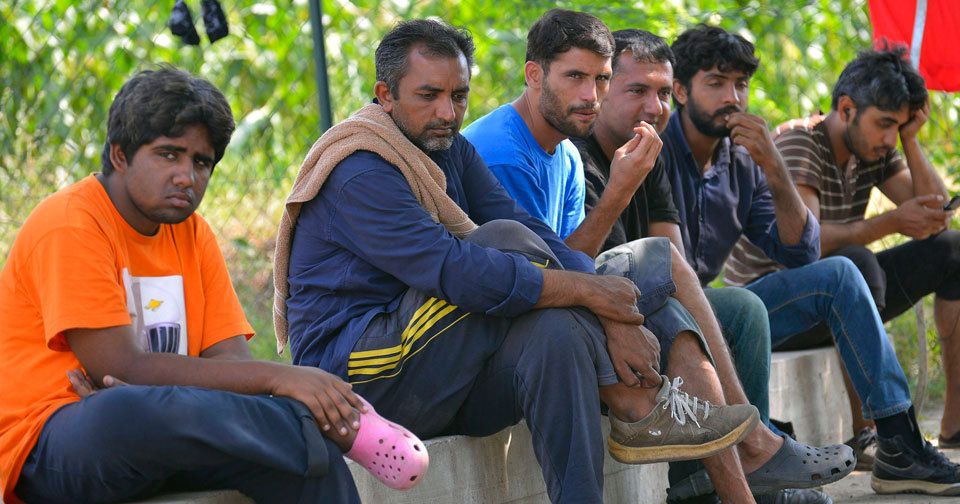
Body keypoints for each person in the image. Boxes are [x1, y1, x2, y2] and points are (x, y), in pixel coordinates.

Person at [277, 16, 760, 504]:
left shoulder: (450, 149)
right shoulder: (360, 170)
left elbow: (536, 235)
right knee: (501, 244)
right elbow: (456, 271)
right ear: (385, 94)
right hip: (361, 373)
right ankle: (633, 404)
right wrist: (599, 299)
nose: (448, 111)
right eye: (429, 95)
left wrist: (607, 306)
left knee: (558, 331)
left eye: (459, 95)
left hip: (440, 368)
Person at [464, 13, 850, 503]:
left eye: (601, 79)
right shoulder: (506, 153)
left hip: (563, 299)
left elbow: (566, 260)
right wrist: (619, 198)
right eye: (575, 77)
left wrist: (621, 309)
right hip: (506, 334)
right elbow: (535, 279)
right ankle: (750, 449)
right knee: (663, 262)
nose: (591, 95)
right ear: (534, 75)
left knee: (685, 300)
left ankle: (737, 484)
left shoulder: (560, 149)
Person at [0, 67, 433, 504]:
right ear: (119, 155)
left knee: (305, 454)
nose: (187, 177)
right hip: (53, 439)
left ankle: (310, 427)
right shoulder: (72, 222)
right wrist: (283, 380)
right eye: (168, 155)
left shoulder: (194, 232)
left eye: (201, 162)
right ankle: (315, 423)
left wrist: (265, 389)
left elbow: (231, 365)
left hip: (169, 426)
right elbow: (119, 370)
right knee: (127, 409)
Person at [661, 24, 960, 497]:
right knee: (776, 294)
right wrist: (891, 222)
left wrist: (773, 167)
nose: (732, 97)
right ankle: (766, 461)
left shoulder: (742, 160)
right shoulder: (654, 148)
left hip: (742, 305)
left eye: (740, 84)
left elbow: (800, 248)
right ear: (679, 89)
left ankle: (899, 443)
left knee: (858, 268)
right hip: (673, 308)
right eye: (716, 83)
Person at [569, 27, 834, 504]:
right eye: (637, 91)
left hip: (650, 302)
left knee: (744, 308)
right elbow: (596, 270)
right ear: (603, 89)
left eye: (662, 93)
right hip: (600, 317)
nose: (654, 107)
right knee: (711, 311)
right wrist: (623, 187)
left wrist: (773, 162)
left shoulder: (657, 148)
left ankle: (753, 467)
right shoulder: (579, 157)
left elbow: (796, 252)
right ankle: (732, 465)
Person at [724, 46, 960, 460]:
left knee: (953, 250)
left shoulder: (875, 150)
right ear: (847, 109)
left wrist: (909, 140)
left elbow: (935, 211)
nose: (889, 138)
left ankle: (955, 424)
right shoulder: (801, 141)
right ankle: (870, 433)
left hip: (831, 290)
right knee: (854, 263)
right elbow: (803, 248)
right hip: (771, 304)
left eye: (898, 127)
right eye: (884, 124)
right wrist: (889, 223)